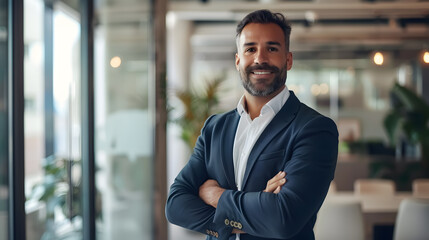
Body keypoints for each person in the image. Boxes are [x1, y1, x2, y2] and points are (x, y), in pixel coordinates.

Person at [166, 9, 338, 240]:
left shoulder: (314, 129)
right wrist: (256, 210)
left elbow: (282, 219)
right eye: (250, 49)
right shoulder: (215, 127)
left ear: (288, 59)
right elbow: (176, 205)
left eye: (272, 48)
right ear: (238, 61)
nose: (260, 58)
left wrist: (215, 195)